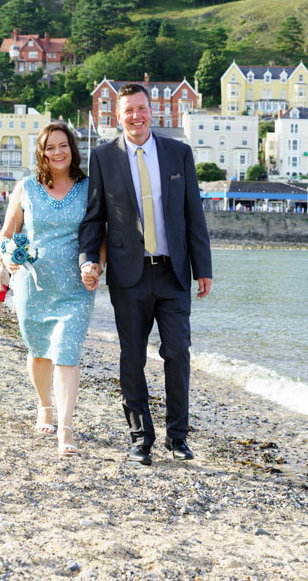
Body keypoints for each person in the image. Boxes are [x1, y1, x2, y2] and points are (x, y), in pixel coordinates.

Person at [78, 83, 213, 467]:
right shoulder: (103, 157)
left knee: (178, 354)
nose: (136, 116)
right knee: (131, 358)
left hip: (173, 274)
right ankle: (140, 438)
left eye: (142, 109)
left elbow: (193, 215)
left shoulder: (178, 153)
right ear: (116, 117)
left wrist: (203, 269)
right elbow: (95, 217)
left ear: (151, 110)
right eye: (128, 111)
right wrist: (89, 258)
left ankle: (178, 438)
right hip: (128, 276)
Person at [0, 121, 102, 457]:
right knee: (40, 352)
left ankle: (66, 427)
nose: (57, 152)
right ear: (41, 154)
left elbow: (99, 233)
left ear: (73, 149)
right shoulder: (26, 187)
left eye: (63, 145)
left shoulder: (90, 187)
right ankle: (44, 405)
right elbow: (6, 235)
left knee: (68, 354)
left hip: (76, 285)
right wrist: (7, 258)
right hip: (33, 283)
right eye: (50, 147)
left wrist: (97, 265)